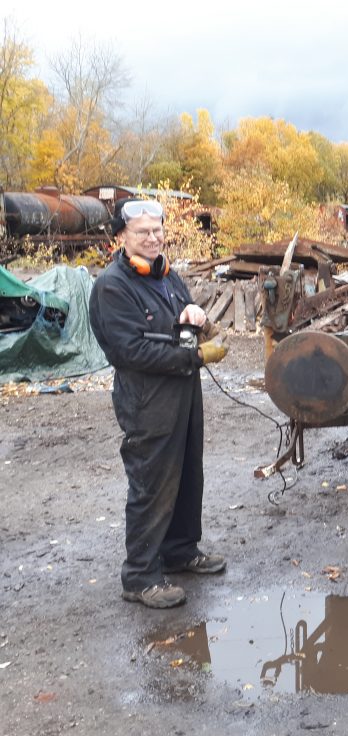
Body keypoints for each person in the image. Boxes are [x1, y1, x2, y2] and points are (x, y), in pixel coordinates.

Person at [89, 198, 229, 609]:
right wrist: (195, 357)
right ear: (121, 237)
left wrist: (196, 318)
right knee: (152, 481)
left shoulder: (167, 276)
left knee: (187, 473)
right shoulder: (112, 287)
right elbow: (129, 351)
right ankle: (140, 575)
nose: (152, 238)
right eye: (142, 233)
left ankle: (181, 550)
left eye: (157, 230)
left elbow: (184, 328)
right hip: (147, 399)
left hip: (184, 392)